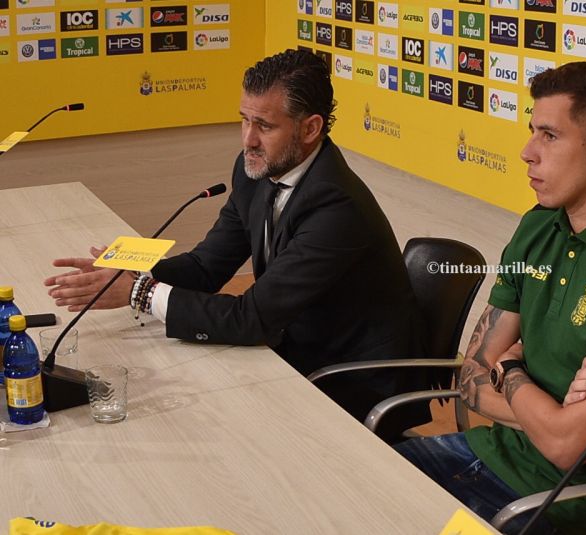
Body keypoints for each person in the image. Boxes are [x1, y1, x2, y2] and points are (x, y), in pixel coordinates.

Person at [44, 49, 429, 440]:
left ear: (310, 128)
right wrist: (132, 274)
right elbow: (206, 266)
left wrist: (141, 293)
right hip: (292, 349)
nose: (248, 139)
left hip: (347, 377)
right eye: (244, 119)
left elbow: (252, 319)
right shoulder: (254, 174)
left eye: (264, 125)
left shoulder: (337, 205)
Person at [395, 62, 586, 533]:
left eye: (549, 136)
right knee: (347, 482)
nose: (527, 152)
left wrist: (510, 369)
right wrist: (548, 414)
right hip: (486, 452)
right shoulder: (538, 226)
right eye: (532, 131)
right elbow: (472, 377)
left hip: (554, 503)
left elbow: (566, 448)